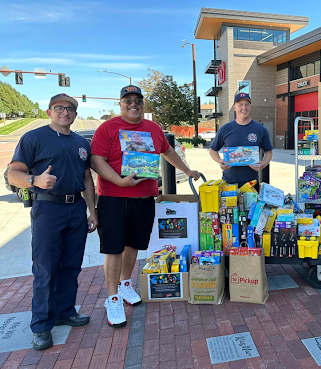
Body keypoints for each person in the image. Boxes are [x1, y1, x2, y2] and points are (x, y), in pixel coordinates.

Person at [90, 85, 200, 328]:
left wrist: (187, 170)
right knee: (113, 248)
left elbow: (168, 151)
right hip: (114, 198)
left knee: (134, 245)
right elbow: (96, 160)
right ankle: (113, 298)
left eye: (137, 100)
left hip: (144, 198)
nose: (133, 104)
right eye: (127, 100)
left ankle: (126, 285)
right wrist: (119, 181)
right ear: (120, 103)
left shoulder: (153, 129)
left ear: (142, 104)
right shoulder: (107, 128)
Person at [8, 94, 98, 350]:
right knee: (45, 268)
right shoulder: (33, 138)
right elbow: (13, 173)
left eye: (70, 109)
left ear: (75, 115)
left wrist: (93, 211)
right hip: (48, 208)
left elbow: (87, 179)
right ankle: (41, 325)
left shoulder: (81, 142)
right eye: (59, 108)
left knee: (71, 265)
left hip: (76, 209)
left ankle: (65, 311)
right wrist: (34, 181)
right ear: (49, 112)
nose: (65, 112)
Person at [209, 93, 273, 190]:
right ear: (234, 107)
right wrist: (219, 161)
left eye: (247, 104)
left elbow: (269, 152)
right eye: (240, 104)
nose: (244, 108)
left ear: (250, 107)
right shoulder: (225, 129)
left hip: (252, 183)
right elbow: (212, 150)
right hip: (228, 183)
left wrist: (263, 164)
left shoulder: (260, 129)